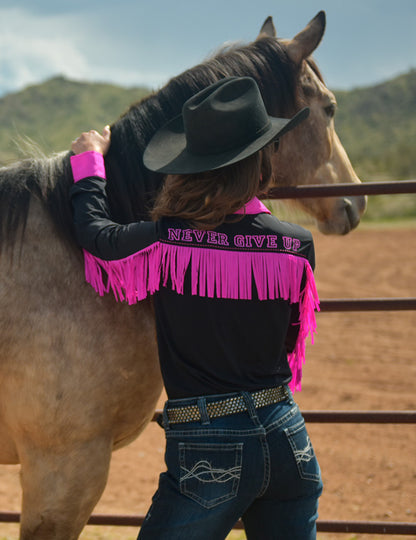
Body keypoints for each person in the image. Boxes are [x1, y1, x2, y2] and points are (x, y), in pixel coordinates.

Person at [70, 76, 322, 540]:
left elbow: (96, 237)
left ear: (188, 168)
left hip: (211, 448)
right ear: (263, 164)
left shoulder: (167, 240)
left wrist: (88, 163)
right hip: (287, 435)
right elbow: (288, 340)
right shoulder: (295, 246)